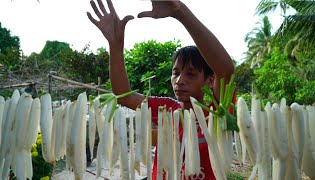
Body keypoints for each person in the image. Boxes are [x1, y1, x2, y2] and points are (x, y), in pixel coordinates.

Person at [87, 0, 235, 179]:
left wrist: (181, 12)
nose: (179, 81)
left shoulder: (217, 112)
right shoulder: (167, 109)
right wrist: (115, 46)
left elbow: (225, 70)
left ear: (210, 80)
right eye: (176, 73)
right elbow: (124, 96)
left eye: (191, 74)